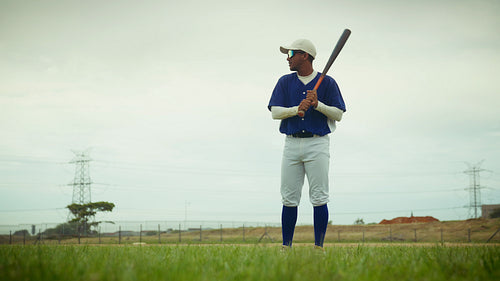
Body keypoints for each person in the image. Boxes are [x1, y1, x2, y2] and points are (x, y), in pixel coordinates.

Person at [267, 39, 346, 249]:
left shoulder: (327, 83)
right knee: (289, 197)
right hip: (291, 144)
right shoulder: (284, 81)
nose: (287, 57)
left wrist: (317, 104)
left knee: (319, 196)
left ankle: (318, 249)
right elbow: (275, 112)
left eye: (291, 53)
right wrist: (296, 109)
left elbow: (338, 114)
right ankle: (286, 248)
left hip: (317, 143)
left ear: (305, 55)